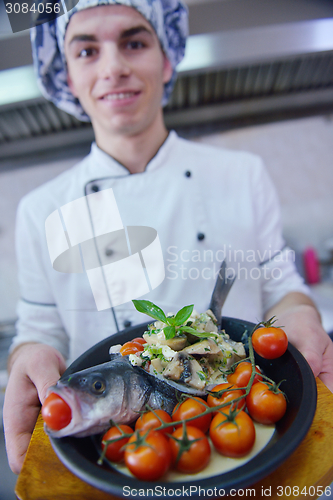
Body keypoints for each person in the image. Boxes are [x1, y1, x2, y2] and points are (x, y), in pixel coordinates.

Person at [4, 0, 333, 476]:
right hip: (121, 455)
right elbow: (39, 329)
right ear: (65, 76)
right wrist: (28, 354)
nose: (114, 67)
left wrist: (300, 310)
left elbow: (281, 283)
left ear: (168, 58)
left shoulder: (240, 175)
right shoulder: (41, 210)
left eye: (134, 43)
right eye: (87, 51)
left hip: (246, 434)